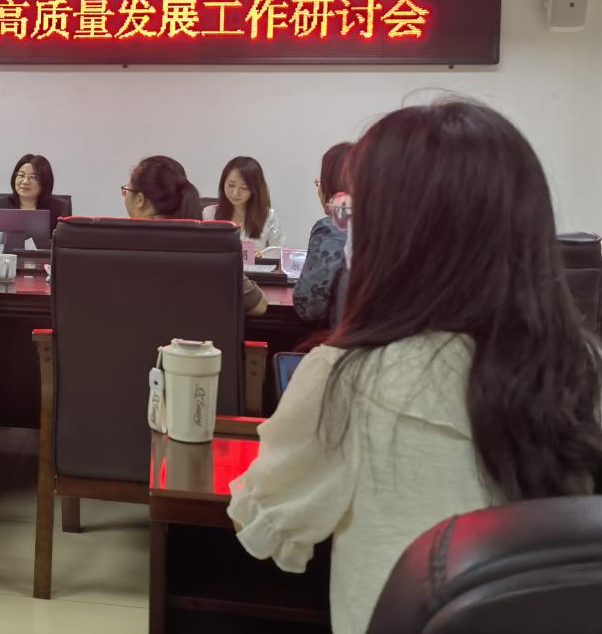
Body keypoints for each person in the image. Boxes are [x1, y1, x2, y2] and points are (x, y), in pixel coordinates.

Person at [227, 100, 602, 634]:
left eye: (352, 215)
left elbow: (263, 523)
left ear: (391, 237)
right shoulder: (585, 368)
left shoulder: (349, 378)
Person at [122, 155, 266, 317]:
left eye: (125, 191)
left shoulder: (118, 248)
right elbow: (259, 306)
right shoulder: (212, 249)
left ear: (140, 200)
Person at [293, 142, 353, 326]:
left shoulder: (332, 229)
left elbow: (309, 306)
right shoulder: (383, 224)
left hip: (348, 338)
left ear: (330, 185)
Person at [0, 153, 71, 236]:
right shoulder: (1, 205)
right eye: (21, 175)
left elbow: (67, 244)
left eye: (33, 177)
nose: (25, 181)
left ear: (45, 181)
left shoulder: (59, 209)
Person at [204, 156, 284, 251]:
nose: (235, 193)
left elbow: (278, 253)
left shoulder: (268, 216)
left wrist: (260, 255)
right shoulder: (209, 214)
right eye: (231, 185)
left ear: (255, 189)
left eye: (244, 188)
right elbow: (202, 252)